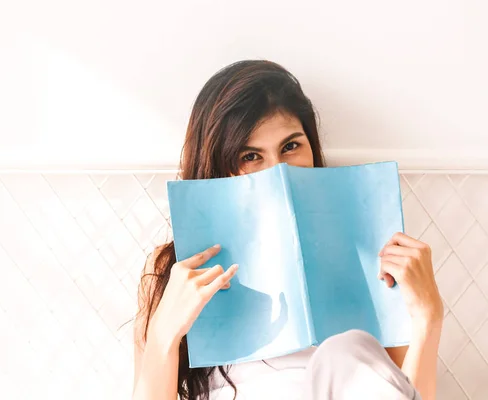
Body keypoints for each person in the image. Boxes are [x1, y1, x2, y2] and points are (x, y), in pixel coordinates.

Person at [132, 60, 443, 400]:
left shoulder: (371, 252)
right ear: (218, 162)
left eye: (291, 146)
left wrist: (428, 317)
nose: (276, 171)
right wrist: (165, 335)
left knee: (347, 350)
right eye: (250, 155)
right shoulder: (173, 270)